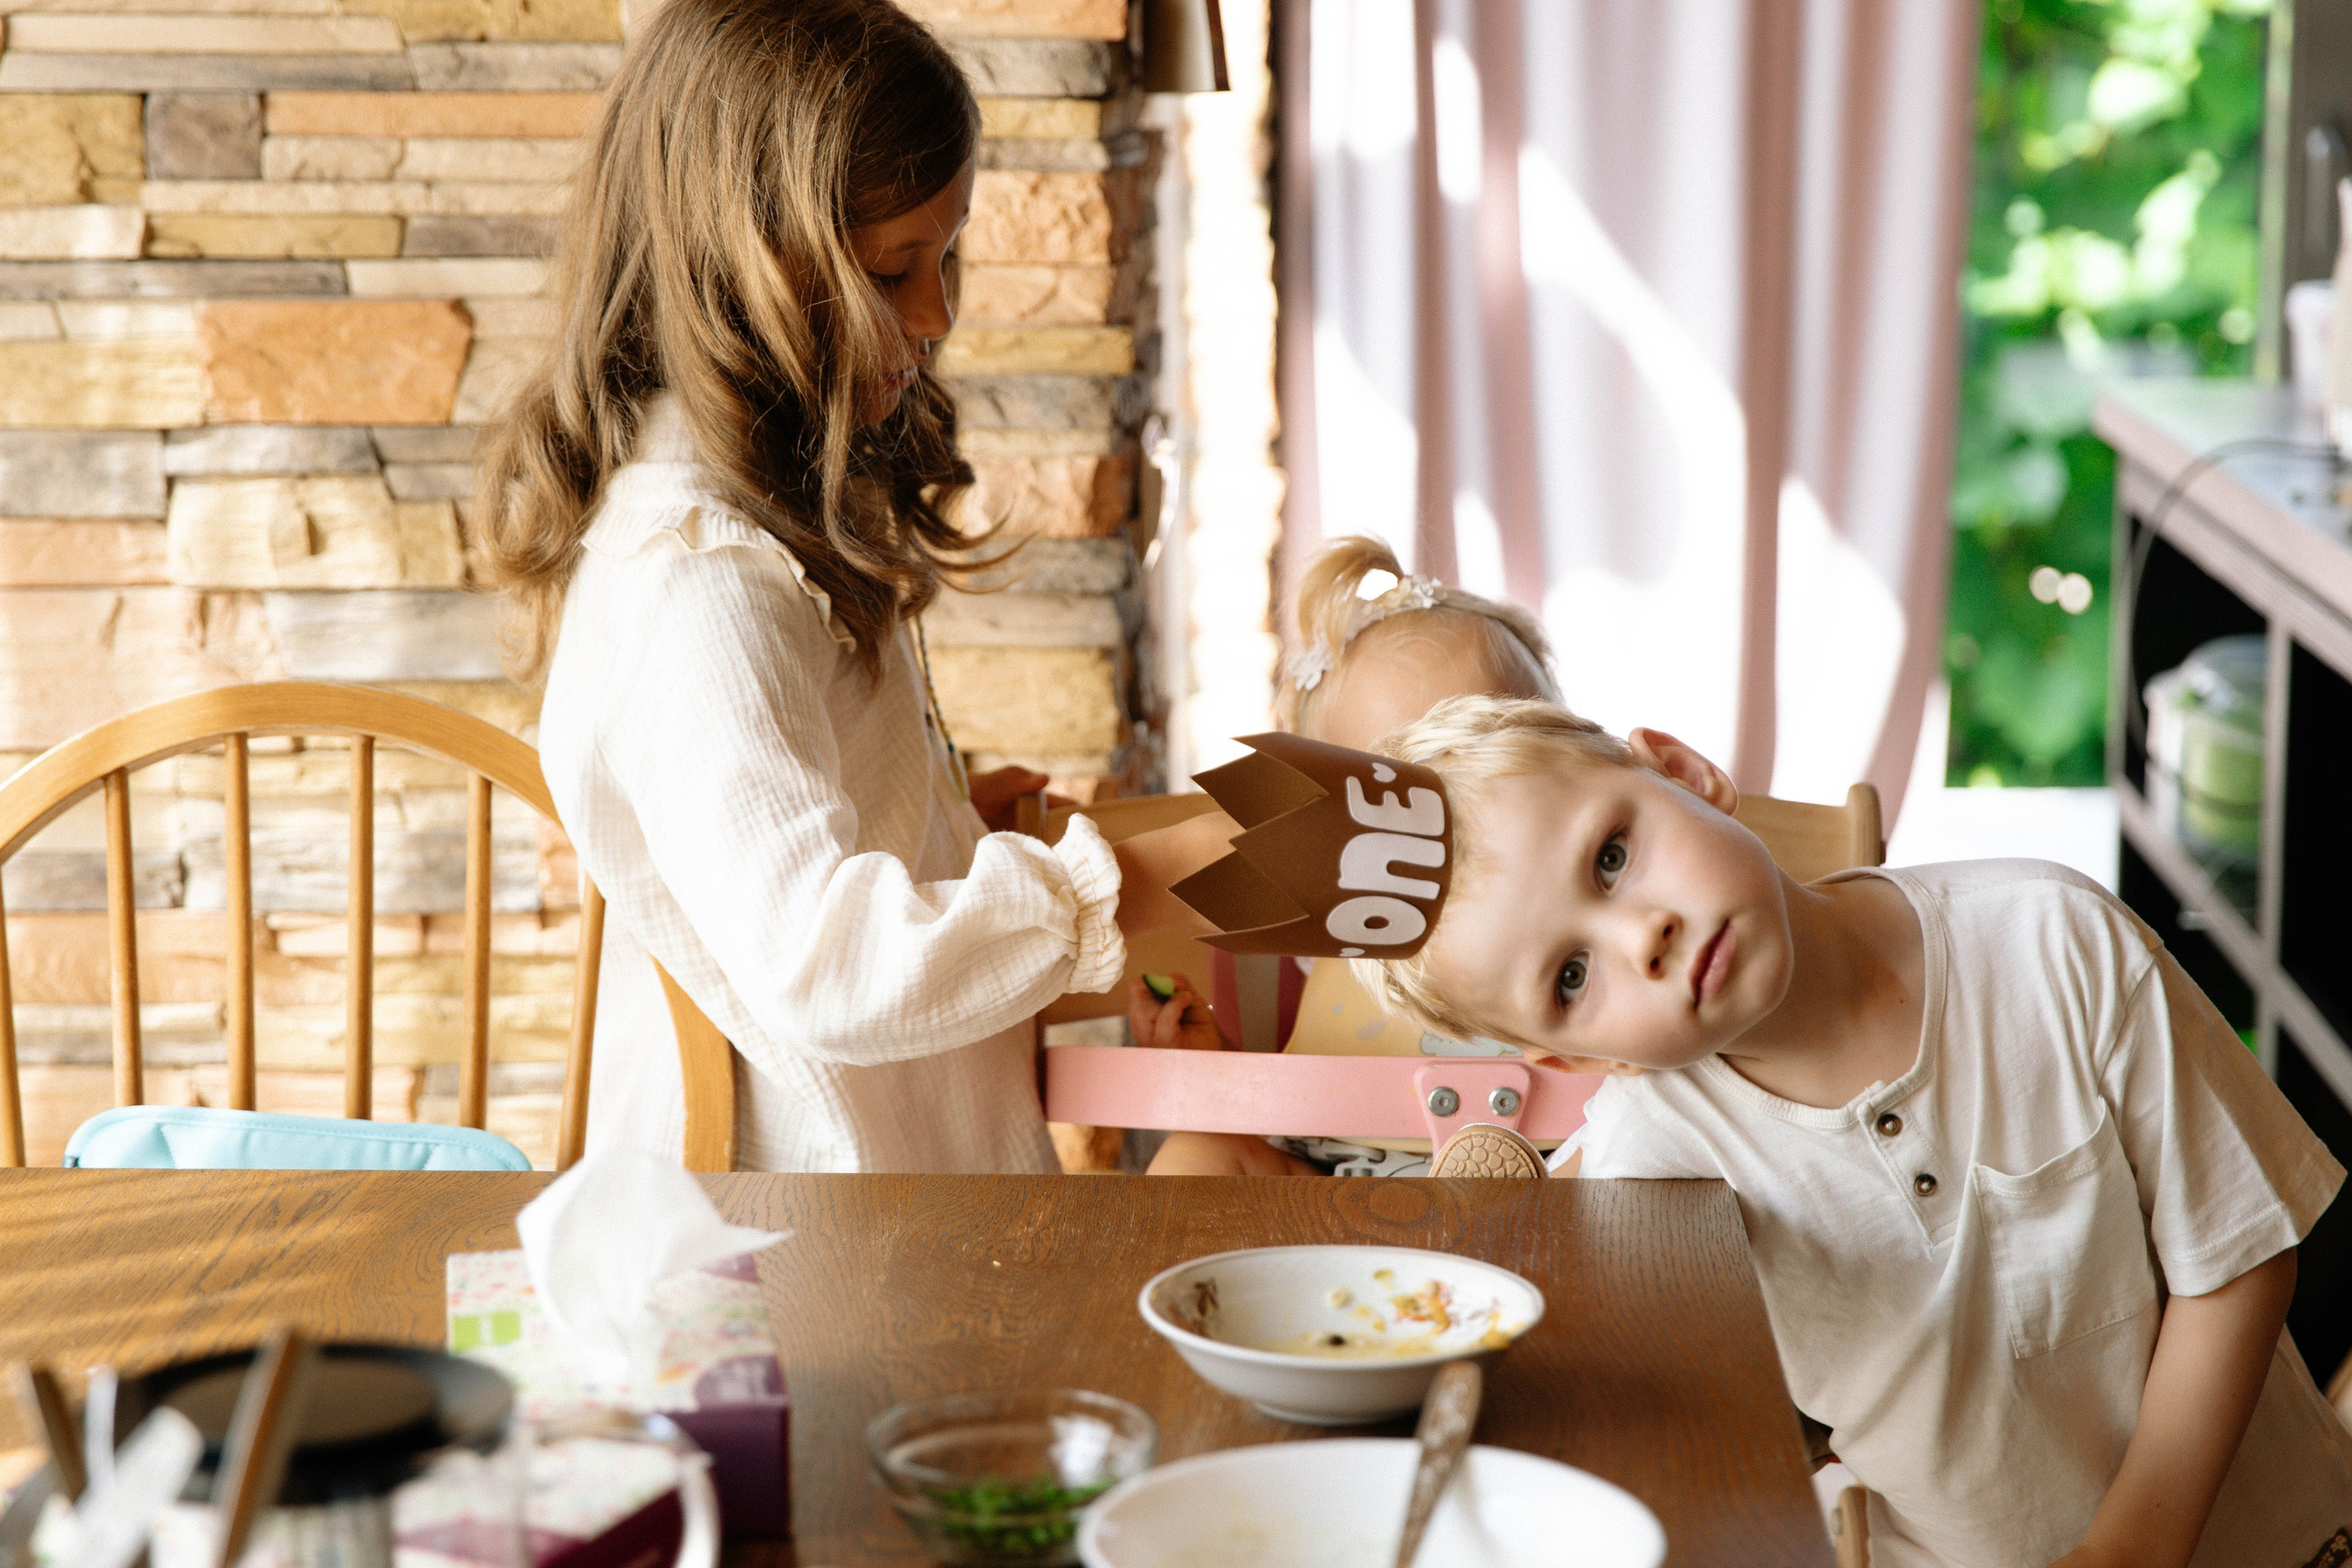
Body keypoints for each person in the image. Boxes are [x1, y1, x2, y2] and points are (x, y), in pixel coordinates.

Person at [1345, 694, 2351, 1568]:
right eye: (1570, 977)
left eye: (1611, 856)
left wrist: (2130, 1551)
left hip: (2276, 1539)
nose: (1638, 937)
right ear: (1572, 1061)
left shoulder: (2056, 941)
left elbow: (2234, 1259)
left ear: (1681, 771)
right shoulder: (1646, 1164)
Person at [477, 0, 1226, 1171]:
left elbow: (791, 828)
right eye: (892, 269)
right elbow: (827, 965)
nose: (933, 315)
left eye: (947, 254)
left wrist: (939, 819)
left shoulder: (762, 519)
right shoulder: (697, 588)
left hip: (894, 1222)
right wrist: (1127, 882)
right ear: (740, 262)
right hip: (805, 1271)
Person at [1132, 536, 1559, 1177]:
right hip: (1330, 1187)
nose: (1449, 816)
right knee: (1198, 1156)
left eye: (1490, 751)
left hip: (1556, 1173)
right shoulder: (1327, 907)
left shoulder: (1588, 900)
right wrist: (1213, 1062)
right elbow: (1285, 1095)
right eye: (1399, 789)